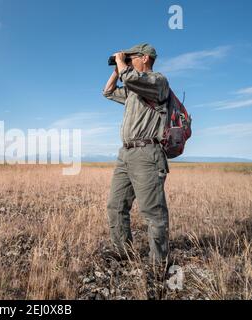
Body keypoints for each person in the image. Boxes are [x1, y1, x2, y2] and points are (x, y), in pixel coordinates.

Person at [102, 43, 170, 264]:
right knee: (116, 204)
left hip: (147, 153)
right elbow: (108, 92)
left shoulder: (158, 82)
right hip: (126, 154)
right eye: (127, 59)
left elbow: (131, 78)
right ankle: (122, 250)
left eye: (132, 58)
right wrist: (116, 70)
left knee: (153, 212)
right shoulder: (133, 90)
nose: (128, 62)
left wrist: (123, 64)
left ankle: (159, 262)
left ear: (146, 58)